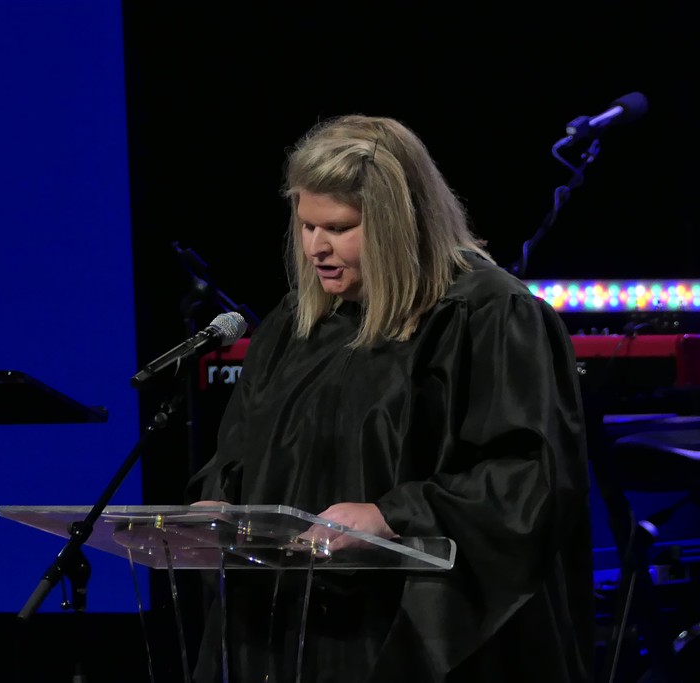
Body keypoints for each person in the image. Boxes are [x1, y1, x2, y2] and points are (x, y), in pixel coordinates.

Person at [185, 113, 593, 683]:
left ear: (398, 223)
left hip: (417, 633)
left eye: (339, 227)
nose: (316, 248)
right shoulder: (295, 325)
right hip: (293, 631)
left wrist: (391, 515)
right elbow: (241, 450)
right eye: (306, 226)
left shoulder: (486, 315)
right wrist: (219, 506)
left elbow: (530, 479)